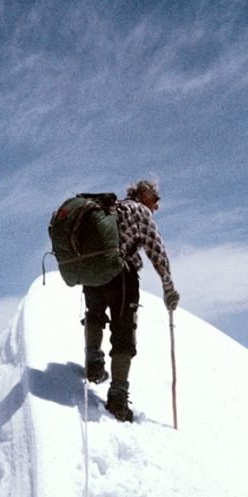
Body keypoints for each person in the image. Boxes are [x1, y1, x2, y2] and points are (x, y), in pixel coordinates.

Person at [83, 179, 179, 422]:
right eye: (156, 200)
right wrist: (167, 283)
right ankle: (117, 398)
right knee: (124, 330)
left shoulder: (107, 209)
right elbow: (154, 247)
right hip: (121, 276)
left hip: (92, 271)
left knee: (94, 314)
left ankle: (93, 364)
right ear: (144, 194)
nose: (157, 206)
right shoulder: (139, 210)